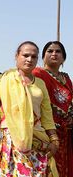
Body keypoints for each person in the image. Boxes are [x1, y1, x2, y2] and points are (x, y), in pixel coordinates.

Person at [0, 41, 59, 176]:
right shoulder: (3, 80)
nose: (29, 59)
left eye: (33, 56)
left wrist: (54, 139)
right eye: (25, 55)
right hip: (8, 137)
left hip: (35, 139)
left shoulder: (40, 84)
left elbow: (47, 115)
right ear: (17, 56)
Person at [33, 41, 72, 176]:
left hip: (67, 133)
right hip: (48, 131)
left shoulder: (66, 78)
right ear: (43, 57)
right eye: (50, 51)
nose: (54, 54)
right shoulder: (37, 74)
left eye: (58, 51)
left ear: (63, 58)